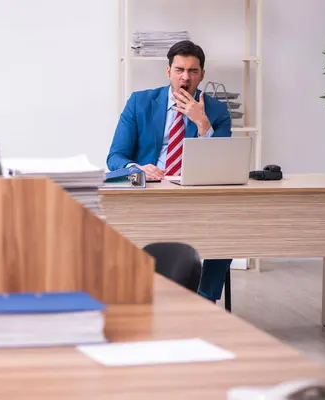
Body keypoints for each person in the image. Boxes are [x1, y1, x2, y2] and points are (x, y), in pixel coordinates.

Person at [106, 40, 232, 302]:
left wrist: (202, 124)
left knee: (228, 226)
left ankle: (204, 299)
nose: (185, 77)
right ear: (168, 71)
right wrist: (137, 169)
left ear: (202, 75)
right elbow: (115, 156)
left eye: (193, 71)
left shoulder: (217, 111)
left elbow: (223, 164)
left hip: (195, 194)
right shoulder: (140, 102)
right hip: (149, 193)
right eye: (179, 69)